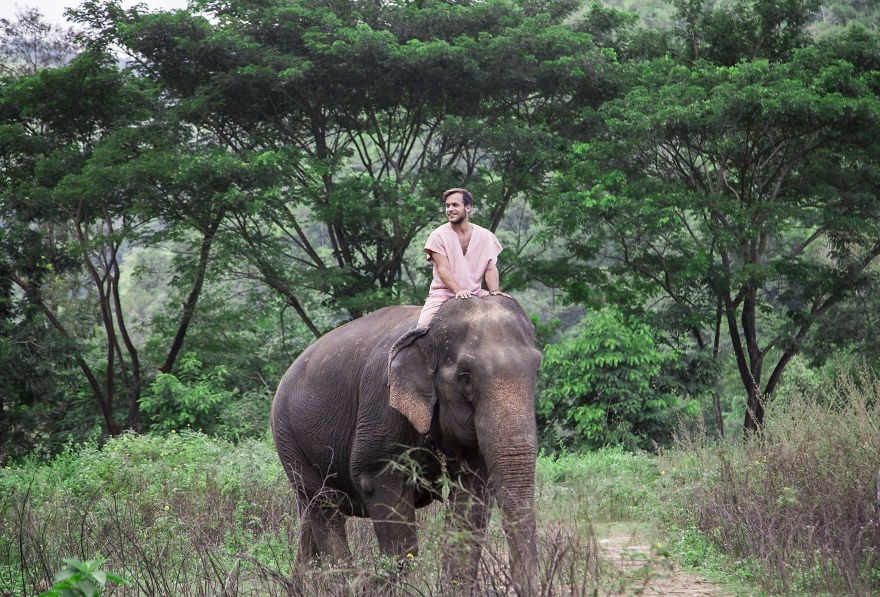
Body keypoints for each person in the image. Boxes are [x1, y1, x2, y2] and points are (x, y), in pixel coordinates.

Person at [417, 188, 507, 328]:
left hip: (476, 294)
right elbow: (443, 269)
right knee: (423, 327)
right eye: (447, 206)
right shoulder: (438, 236)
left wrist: (494, 291)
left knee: (505, 321)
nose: (450, 209)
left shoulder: (486, 236)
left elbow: (490, 267)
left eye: (455, 205)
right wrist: (458, 290)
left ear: (468, 207)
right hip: (443, 295)